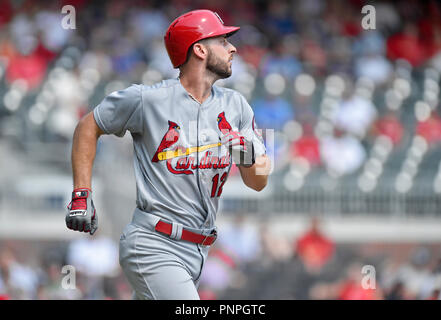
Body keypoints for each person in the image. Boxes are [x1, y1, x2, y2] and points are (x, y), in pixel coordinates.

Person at [65, 9, 271, 300]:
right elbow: (88, 126)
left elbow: (257, 181)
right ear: (199, 49)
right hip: (153, 243)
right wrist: (81, 193)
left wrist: (250, 155)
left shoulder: (236, 106)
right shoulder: (148, 100)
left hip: (198, 250)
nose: (232, 47)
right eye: (223, 41)